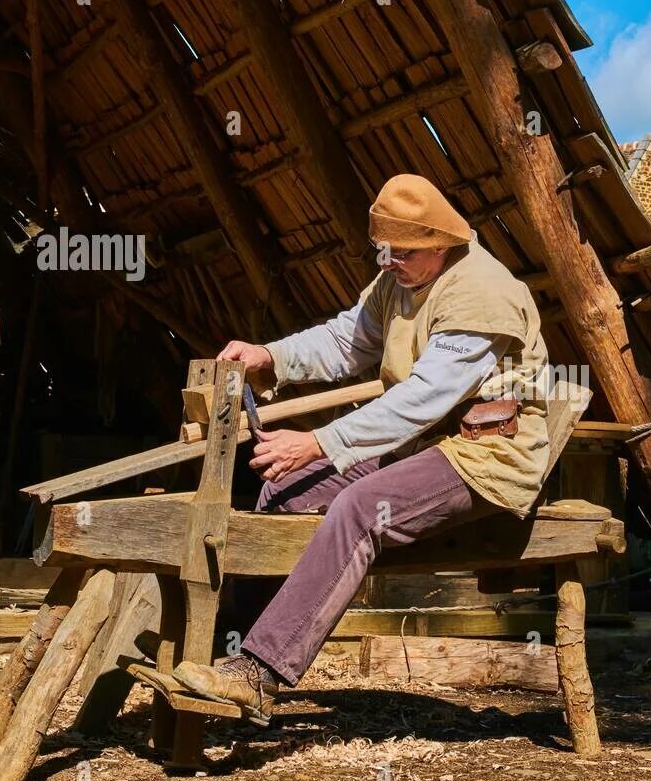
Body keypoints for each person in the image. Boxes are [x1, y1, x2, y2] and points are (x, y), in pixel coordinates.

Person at [171, 174, 550, 724]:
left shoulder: (482, 293)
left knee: (363, 507)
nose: (388, 261)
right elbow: (346, 340)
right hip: (419, 446)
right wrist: (269, 357)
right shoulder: (400, 279)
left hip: (485, 458)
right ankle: (228, 656)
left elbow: (423, 399)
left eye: (401, 252)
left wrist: (322, 440)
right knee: (286, 487)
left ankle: (259, 674)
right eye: (382, 250)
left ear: (440, 244)